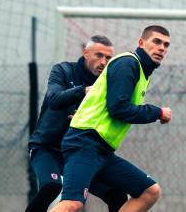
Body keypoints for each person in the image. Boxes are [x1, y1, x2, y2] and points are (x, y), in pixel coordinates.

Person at [49, 25, 172, 212]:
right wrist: (158, 112)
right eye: (156, 41)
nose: (162, 48)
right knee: (72, 204)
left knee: (150, 191)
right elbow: (119, 109)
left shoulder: (141, 72)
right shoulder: (128, 64)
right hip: (84, 143)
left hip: (102, 151)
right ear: (141, 42)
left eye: (166, 44)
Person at [26, 35, 128, 212]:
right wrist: (85, 91)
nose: (103, 62)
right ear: (85, 53)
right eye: (99, 55)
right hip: (47, 148)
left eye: (108, 58)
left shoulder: (107, 83)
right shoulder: (63, 70)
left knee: (117, 194)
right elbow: (54, 99)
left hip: (80, 152)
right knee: (52, 186)